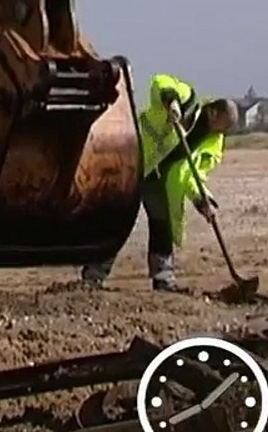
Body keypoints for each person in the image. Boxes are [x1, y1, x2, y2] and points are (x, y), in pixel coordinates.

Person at [81, 74, 239, 292]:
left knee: (162, 224)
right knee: (118, 221)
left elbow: (192, 176)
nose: (221, 133)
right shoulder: (188, 100)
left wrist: (202, 200)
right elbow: (160, 82)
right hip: (134, 161)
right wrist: (170, 100)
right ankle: (93, 275)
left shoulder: (212, 143)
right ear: (213, 111)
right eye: (222, 126)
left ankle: (163, 278)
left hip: (157, 180)